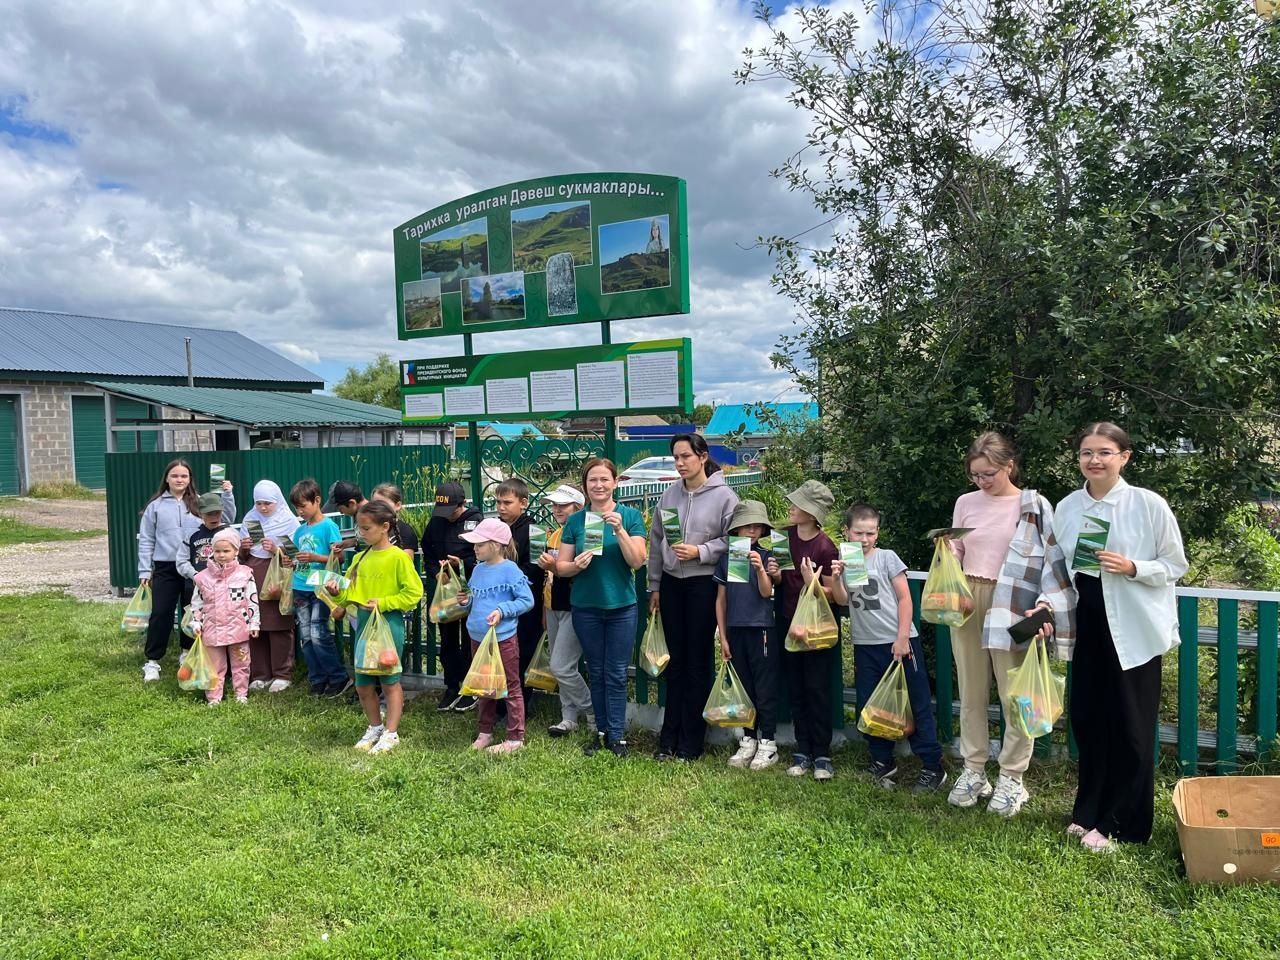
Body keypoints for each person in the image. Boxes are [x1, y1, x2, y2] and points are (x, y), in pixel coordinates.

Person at [1053, 422, 1186, 852]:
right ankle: (1087, 811)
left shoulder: (1147, 505)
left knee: (1130, 725)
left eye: (1105, 452)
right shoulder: (1069, 506)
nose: (1094, 460)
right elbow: (1060, 563)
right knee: (1090, 720)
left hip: (1134, 627)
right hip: (1088, 621)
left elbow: (1175, 564)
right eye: (1087, 452)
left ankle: (1125, 823)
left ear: (1124, 457)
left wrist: (1133, 568)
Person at [947, 432, 1076, 815]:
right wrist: (947, 550)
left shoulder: (1033, 504)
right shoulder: (965, 503)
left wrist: (1045, 605)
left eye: (988, 474)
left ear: (1008, 465)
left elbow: (1052, 559)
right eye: (975, 476)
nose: (981, 482)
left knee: (1015, 695)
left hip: (1014, 605)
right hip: (968, 598)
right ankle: (973, 769)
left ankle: (1012, 777)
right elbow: (959, 547)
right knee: (971, 692)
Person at [831, 503, 947, 793]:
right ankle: (882, 761)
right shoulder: (847, 560)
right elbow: (843, 600)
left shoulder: (886, 558)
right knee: (872, 705)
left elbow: (905, 599)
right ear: (846, 532)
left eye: (870, 533)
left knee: (917, 703)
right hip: (865, 644)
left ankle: (933, 766)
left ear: (878, 533)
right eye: (859, 532)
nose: (865, 539)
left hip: (899, 643)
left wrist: (902, 637)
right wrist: (835, 577)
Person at [647, 433, 738, 761]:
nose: (680, 463)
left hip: (703, 586)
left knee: (698, 663)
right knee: (676, 662)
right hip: (671, 585)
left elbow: (734, 540)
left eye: (686, 456)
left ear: (702, 457)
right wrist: (654, 585)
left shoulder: (725, 497)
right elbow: (656, 540)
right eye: (676, 458)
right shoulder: (668, 495)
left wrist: (701, 551)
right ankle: (667, 739)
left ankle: (691, 743)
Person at [557, 458, 647, 757]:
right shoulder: (575, 521)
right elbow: (561, 567)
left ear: (615, 482)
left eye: (604, 480)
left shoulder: (630, 516)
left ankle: (618, 736)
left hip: (621, 606)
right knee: (596, 671)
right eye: (592, 480)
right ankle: (600, 731)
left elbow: (637, 561)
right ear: (585, 486)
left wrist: (620, 531)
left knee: (617, 673)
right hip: (586, 606)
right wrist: (575, 565)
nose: (598, 485)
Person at [329, 500, 424, 755]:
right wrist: (336, 593)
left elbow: (414, 593)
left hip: (387, 625)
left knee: (390, 680)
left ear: (385, 527)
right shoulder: (359, 558)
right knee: (363, 682)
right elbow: (349, 593)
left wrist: (383, 603)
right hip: (362, 626)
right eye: (359, 528)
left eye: (366, 528)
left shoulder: (398, 558)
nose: (361, 533)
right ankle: (374, 726)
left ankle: (391, 733)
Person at [778, 480, 840, 780]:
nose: (790, 506)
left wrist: (810, 582)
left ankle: (822, 754)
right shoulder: (782, 538)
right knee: (796, 689)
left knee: (817, 689)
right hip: (788, 625)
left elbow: (833, 594)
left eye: (797, 503)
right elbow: (776, 582)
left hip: (817, 631)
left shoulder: (826, 546)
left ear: (812, 513)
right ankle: (802, 750)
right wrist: (774, 574)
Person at [457, 518, 535, 754]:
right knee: (484, 686)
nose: (474, 548)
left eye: (479, 544)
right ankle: (485, 732)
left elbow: (526, 601)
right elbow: (474, 601)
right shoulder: (478, 570)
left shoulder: (510, 570)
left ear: (497, 545)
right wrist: (466, 602)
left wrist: (502, 611)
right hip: (477, 638)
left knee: (511, 686)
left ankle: (515, 737)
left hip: (503, 638)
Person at [714, 500, 780, 771]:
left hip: (761, 628)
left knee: (764, 687)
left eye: (756, 527)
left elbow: (767, 592)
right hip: (735, 629)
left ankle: (769, 743)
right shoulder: (727, 558)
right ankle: (748, 739)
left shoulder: (767, 557)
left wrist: (760, 569)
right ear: (736, 530)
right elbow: (721, 599)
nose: (751, 531)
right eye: (746, 527)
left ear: (763, 530)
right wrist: (723, 636)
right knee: (744, 688)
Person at [137, 458, 203, 682]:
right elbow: (146, 539)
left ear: (190, 479)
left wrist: (227, 496)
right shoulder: (155, 506)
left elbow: (222, 520)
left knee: (190, 613)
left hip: (191, 568)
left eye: (184, 476)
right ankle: (152, 661)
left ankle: (186, 653)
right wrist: (144, 571)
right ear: (167, 478)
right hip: (165, 567)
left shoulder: (198, 503)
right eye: (175, 475)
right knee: (161, 613)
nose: (179, 479)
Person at [538, 484, 594, 737]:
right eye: (554, 504)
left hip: (575, 604)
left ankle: (593, 712)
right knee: (560, 665)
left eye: (563, 505)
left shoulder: (585, 531)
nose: (557, 509)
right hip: (553, 604)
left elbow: (584, 567)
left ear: (578, 507)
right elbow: (548, 576)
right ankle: (568, 716)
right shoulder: (555, 534)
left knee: (562, 665)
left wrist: (558, 566)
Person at [422, 480, 482, 712]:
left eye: (452, 511)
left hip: (468, 591)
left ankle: (470, 687)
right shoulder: (436, 522)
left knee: (469, 639)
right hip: (444, 592)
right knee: (447, 640)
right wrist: (436, 572)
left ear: (463, 504)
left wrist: (462, 564)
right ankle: (451, 686)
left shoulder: (476, 522)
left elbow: (483, 555)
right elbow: (427, 551)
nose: (447, 516)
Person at [238, 480, 301, 693]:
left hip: (278, 579)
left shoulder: (288, 521)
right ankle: (260, 673)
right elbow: (240, 555)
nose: (263, 508)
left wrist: (276, 550)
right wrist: (244, 548)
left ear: (277, 501)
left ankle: (282, 673)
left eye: (268, 503)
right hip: (254, 575)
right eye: (259, 503)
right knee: (256, 625)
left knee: (279, 625)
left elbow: (295, 554)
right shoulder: (251, 519)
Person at [290, 478, 350, 697]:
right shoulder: (300, 531)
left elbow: (340, 557)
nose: (300, 511)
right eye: (296, 507)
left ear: (317, 501)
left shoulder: (329, 527)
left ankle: (338, 677)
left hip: (322, 587)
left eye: (303, 506)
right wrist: (290, 561)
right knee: (306, 636)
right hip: (300, 585)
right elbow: (298, 557)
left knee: (318, 632)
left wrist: (315, 556)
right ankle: (317, 679)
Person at [188, 528, 258, 706]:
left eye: (226, 551)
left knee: (241, 663)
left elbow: (251, 600)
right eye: (217, 551)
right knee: (214, 665)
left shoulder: (244, 574)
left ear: (236, 551)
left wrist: (254, 623)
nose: (221, 555)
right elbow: (197, 603)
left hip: (239, 627)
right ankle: (214, 697)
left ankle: (241, 693)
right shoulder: (202, 578)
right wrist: (196, 622)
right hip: (212, 628)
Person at [494, 478, 545, 706]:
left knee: (523, 652)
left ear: (523, 503)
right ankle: (499, 701)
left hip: (525, 604)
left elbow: (534, 570)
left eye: (507, 502)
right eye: (498, 502)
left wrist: (504, 576)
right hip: (498, 604)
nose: (501, 507)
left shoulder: (535, 531)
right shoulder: (496, 527)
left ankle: (521, 704)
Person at [371, 483, 421, 557]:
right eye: (375, 504)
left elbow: (406, 562)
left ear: (398, 505)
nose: (378, 508)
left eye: (384, 504)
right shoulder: (369, 529)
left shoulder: (405, 531)